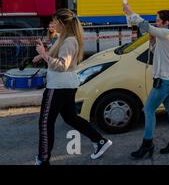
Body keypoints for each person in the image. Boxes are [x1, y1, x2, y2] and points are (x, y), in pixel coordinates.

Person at [34, 9, 112, 165]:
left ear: (62, 23)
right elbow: (60, 59)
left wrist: (44, 54)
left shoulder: (69, 40)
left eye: (55, 21)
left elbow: (62, 65)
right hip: (66, 85)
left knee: (45, 123)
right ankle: (100, 141)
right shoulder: (65, 38)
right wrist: (43, 55)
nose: (53, 24)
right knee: (71, 118)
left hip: (58, 86)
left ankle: (43, 159)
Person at [123, 4, 169, 159]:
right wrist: (152, 41)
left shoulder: (167, 34)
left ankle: (148, 143)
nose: (156, 23)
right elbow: (157, 53)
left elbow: (144, 25)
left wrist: (130, 12)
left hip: (164, 80)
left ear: (166, 22)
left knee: (148, 110)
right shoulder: (168, 34)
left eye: (158, 21)